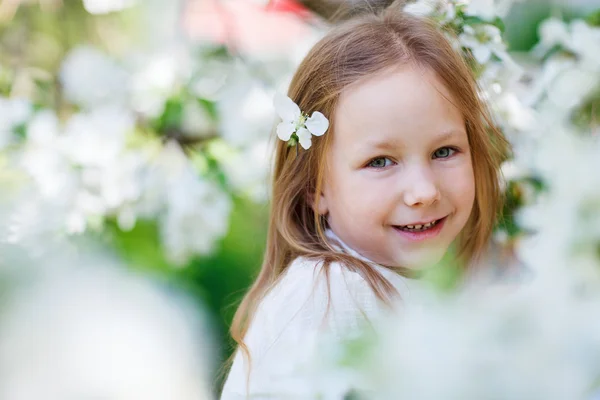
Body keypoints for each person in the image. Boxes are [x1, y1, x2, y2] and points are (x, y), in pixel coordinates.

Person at [220, 3, 510, 398]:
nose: (423, 191)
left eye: (444, 152)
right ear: (315, 187)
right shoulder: (327, 296)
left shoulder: (445, 284)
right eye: (380, 162)